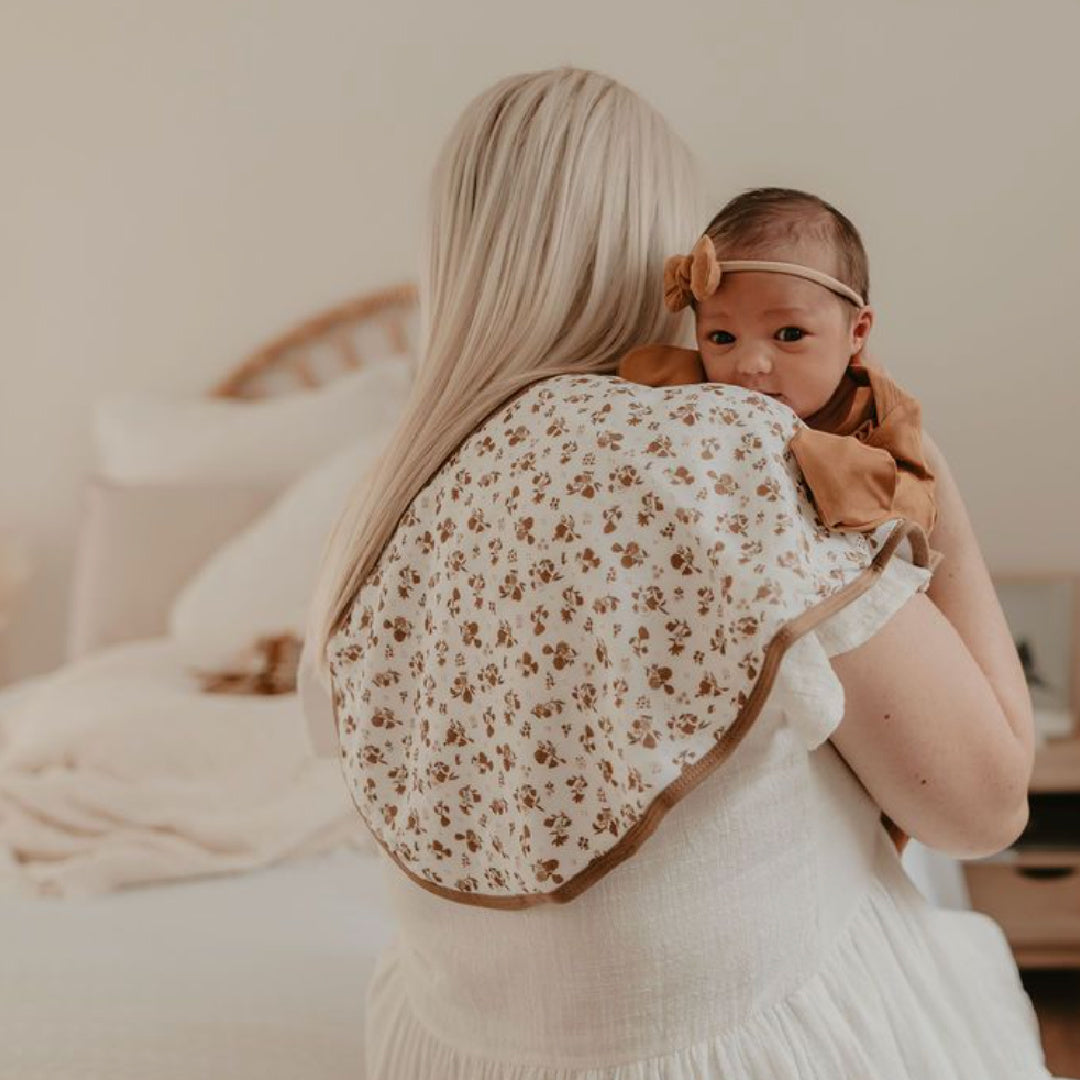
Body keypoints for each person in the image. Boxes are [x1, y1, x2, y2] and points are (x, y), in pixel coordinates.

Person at [300, 67, 1059, 1079]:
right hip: (749, 1040)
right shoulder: (723, 450)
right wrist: (930, 475)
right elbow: (983, 808)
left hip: (450, 1047)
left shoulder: (381, 500)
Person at [617, 187, 942, 854]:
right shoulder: (689, 399)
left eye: (788, 335)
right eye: (721, 336)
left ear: (857, 334)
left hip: (866, 647)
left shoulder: (876, 416)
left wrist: (807, 456)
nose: (749, 364)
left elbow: (909, 510)